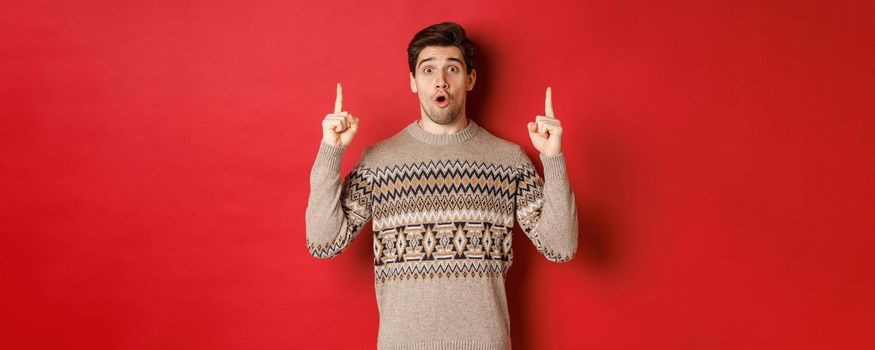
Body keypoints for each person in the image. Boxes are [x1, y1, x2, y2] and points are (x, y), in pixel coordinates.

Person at [305, 21, 578, 350]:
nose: (441, 81)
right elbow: (322, 243)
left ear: (471, 79)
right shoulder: (379, 162)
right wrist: (330, 150)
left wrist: (553, 158)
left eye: (453, 68)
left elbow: (561, 248)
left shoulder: (508, 161)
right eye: (428, 69)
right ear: (413, 82)